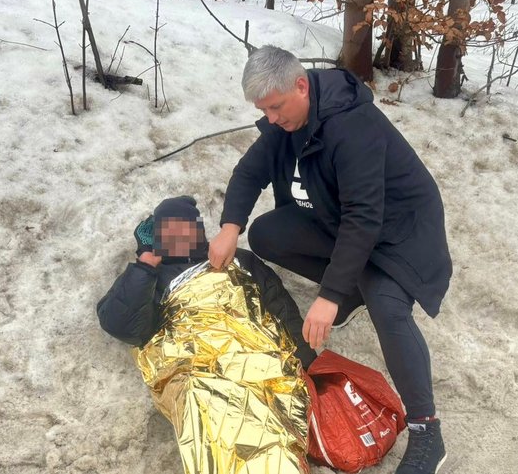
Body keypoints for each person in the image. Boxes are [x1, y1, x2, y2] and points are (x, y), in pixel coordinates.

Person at [208, 46, 453, 474]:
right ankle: (354, 293)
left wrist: (329, 295)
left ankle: (427, 431)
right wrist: (231, 227)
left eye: (275, 107)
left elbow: (365, 217)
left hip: (398, 232)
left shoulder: (350, 125)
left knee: (389, 308)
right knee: (267, 233)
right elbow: (250, 172)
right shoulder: (288, 120)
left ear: (301, 86)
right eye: (263, 110)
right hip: (342, 219)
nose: (270, 118)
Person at [97, 195, 315, 369]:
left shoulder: (234, 258)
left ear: (198, 230)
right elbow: (123, 327)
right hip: (201, 375)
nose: (178, 236)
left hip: (260, 358)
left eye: (185, 228)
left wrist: (307, 362)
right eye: (168, 230)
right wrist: (145, 265)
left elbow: (278, 304)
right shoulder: (150, 279)